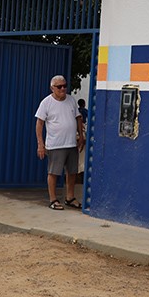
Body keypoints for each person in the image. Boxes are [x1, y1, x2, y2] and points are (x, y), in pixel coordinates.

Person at [35, 75, 85, 210]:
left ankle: (70, 197)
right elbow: (39, 124)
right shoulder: (46, 103)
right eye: (59, 87)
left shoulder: (71, 100)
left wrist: (81, 136)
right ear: (52, 88)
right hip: (55, 144)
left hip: (71, 143)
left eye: (64, 86)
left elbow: (78, 118)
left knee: (72, 172)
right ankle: (53, 199)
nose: (63, 89)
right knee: (53, 172)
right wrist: (40, 144)